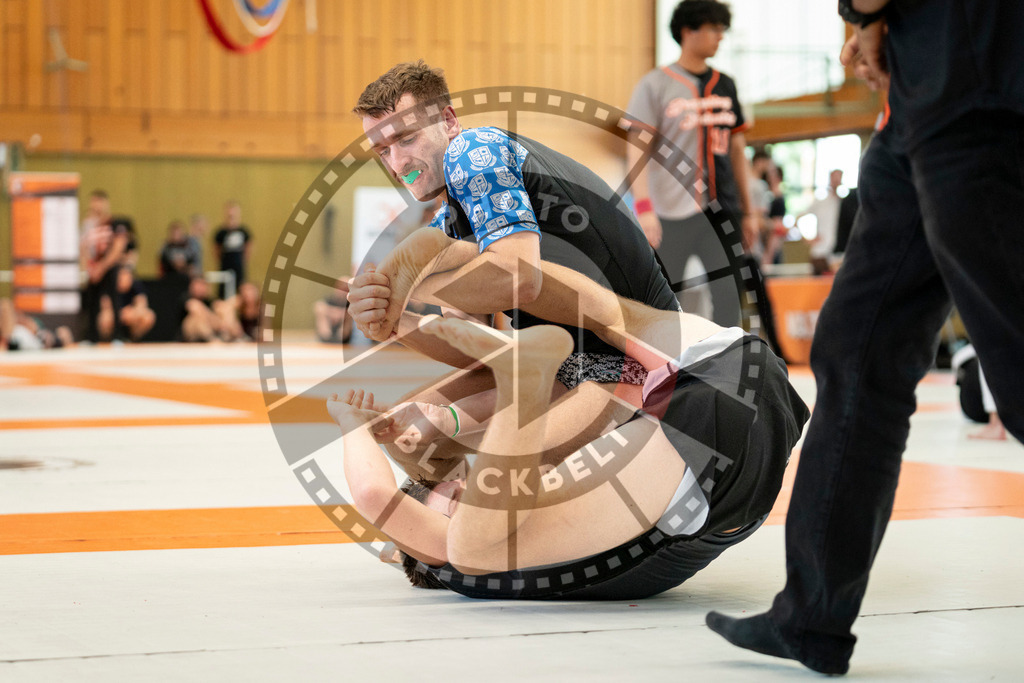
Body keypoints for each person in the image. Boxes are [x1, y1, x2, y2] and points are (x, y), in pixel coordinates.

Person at [705, 0, 1024, 674]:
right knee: (859, 347)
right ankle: (812, 614)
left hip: (972, 64)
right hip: (925, 90)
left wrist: (862, 11)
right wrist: (872, 22)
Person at [328, 258, 808, 599]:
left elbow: (597, 383)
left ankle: (481, 287)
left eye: (456, 486)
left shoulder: (523, 520)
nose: (463, 487)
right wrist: (351, 424)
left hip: (727, 399)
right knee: (468, 545)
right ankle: (518, 372)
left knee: (606, 318)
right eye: (452, 497)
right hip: (727, 447)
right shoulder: (456, 559)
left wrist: (416, 313)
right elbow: (373, 494)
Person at [346, 60, 681, 466]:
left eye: (407, 139)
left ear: (449, 121)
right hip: (564, 362)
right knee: (408, 439)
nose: (397, 163)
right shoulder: (447, 219)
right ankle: (457, 513)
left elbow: (521, 280)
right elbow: (473, 348)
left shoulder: (474, 150)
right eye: (384, 151)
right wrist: (395, 318)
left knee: (503, 468)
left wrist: (413, 288)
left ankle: (498, 510)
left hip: (636, 355)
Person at [624, 0, 759, 328]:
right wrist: (644, 207)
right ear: (688, 31)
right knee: (664, 297)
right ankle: (660, 370)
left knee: (729, 295)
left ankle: (725, 370)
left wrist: (750, 210)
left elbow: (738, 150)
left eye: (722, 29)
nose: (720, 37)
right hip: (671, 212)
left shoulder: (726, 85)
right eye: (713, 28)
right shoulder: (655, 84)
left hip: (723, 210)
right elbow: (637, 149)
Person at [78, 189, 136, 342]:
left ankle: (117, 336)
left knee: (114, 300)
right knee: (92, 303)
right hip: (93, 269)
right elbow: (83, 247)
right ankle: (91, 337)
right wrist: (88, 268)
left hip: (109, 267)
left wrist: (102, 267)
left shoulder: (115, 223)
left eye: (99, 202)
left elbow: (118, 248)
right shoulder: (88, 224)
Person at [797, 169, 843, 275]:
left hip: (837, 254)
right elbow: (799, 217)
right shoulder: (821, 202)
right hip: (820, 253)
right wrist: (807, 239)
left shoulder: (843, 203)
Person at [96, 266, 155, 342]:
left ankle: (133, 340)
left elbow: (142, 304)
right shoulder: (110, 286)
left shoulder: (136, 286)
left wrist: (131, 312)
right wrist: (120, 313)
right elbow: (105, 306)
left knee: (148, 316)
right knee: (104, 318)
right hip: (115, 314)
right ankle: (107, 341)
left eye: (127, 275)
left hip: (130, 315)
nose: (124, 279)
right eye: (122, 276)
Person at [213, 200, 252, 299]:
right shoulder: (221, 232)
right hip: (225, 266)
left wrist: (242, 260)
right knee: (223, 293)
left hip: (238, 267)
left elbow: (248, 248)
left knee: (240, 290)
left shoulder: (243, 231)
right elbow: (216, 249)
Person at [315, 277, 353, 344]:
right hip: (328, 330)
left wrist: (341, 314)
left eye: (346, 289)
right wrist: (334, 313)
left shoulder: (350, 302)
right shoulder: (330, 300)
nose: (343, 292)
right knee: (321, 313)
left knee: (349, 315)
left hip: (344, 335)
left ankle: (339, 338)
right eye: (341, 289)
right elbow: (318, 306)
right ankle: (326, 338)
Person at [185, 213, 209, 279]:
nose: (206, 226)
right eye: (204, 224)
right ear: (198, 225)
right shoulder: (191, 241)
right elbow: (190, 262)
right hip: (192, 277)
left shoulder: (197, 241)